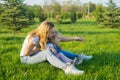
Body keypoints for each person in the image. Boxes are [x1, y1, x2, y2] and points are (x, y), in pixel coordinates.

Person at [20, 20, 84, 75]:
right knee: (47, 52)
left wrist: (75, 38)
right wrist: (41, 49)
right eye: (52, 32)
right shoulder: (35, 38)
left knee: (54, 48)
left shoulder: (44, 36)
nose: (53, 34)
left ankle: (77, 57)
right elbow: (26, 53)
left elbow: (61, 38)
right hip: (26, 58)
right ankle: (67, 69)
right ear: (45, 32)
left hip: (35, 54)